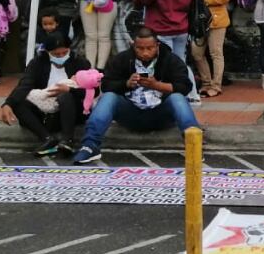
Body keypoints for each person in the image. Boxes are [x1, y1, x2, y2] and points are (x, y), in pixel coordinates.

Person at [72, 27, 200, 165]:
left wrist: (156, 85)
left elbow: (185, 87)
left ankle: (194, 146)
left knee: (178, 98)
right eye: (140, 48)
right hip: (130, 113)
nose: (145, 52)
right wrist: (126, 84)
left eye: (149, 48)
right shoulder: (122, 59)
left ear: (157, 45)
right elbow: (106, 85)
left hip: (161, 114)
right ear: (133, 46)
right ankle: (90, 146)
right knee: (109, 97)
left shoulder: (171, 60)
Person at [1, 32, 92, 156]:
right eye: (56, 54)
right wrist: (8, 104)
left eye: (64, 53)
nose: (61, 56)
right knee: (19, 103)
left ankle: (67, 140)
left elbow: (93, 91)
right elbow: (25, 85)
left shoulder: (80, 63)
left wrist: (70, 90)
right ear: (48, 53)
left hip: (71, 111)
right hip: (46, 111)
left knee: (65, 96)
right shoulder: (37, 63)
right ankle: (48, 139)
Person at [191, 0, 230, 98]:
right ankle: (206, 82)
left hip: (216, 19)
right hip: (200, 20)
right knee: (197, 52)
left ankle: (216, 85)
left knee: (216, 53)